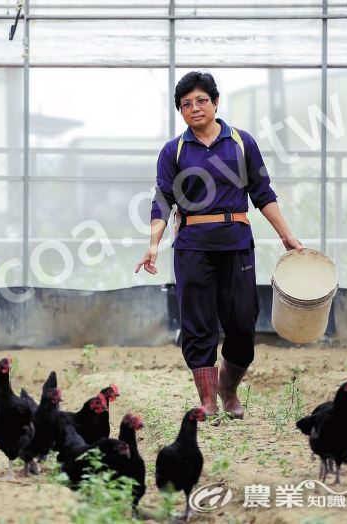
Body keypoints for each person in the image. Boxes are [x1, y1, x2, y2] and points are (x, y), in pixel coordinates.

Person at [135, 71, 303, 418]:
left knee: (243, 322)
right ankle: (208, 401)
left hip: (236, 244)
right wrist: (153, 244)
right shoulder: (174, 151)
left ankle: (228, 389)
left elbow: (262, 193)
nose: (194, 108)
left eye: (200, 101)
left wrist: (286, 234)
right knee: (198, 325)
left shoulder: (242, 143)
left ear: (215, 102)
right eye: (185, 104)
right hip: (192, 248)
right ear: (180, 112)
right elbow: (162, 200)